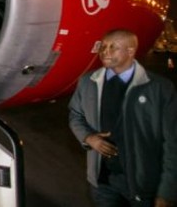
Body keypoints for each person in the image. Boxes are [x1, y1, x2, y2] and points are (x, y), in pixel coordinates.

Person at [68, 28, 177, 207]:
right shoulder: (88, 81)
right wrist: (88, 138)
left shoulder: (160, 88)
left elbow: (172, 142)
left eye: (113, 47)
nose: (105, 52)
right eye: (103, 46)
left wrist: (167, 191)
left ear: (131, 51)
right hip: (102, 183)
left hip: (143, 185)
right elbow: (75, 115)